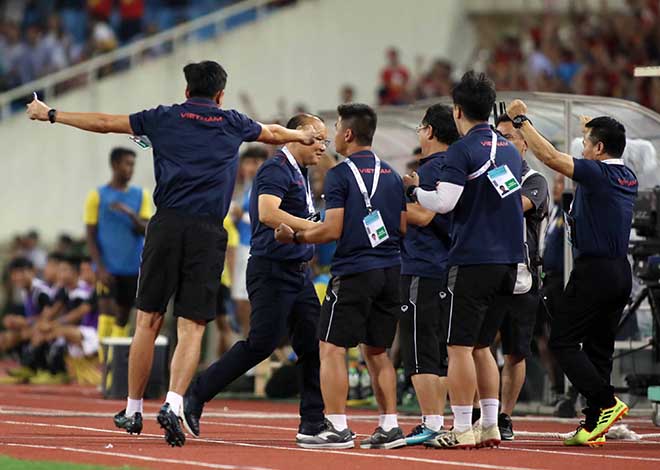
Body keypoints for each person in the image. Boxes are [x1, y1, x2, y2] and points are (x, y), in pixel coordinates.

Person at [26, 60, 319, 447]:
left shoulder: (163, 117)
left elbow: (104, 122)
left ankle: (132, 409)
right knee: (192, 326)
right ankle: (175, 402)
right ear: (220, 94)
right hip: (208, 231)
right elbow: (275, 133)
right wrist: (307, 135)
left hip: (165, 226)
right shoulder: (233, 122)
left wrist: (51, 113)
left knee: (147, 320)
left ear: (186, 91)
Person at [184, 113, 328, 445]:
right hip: (272, 271)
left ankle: (313, 421)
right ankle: (198, 391)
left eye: (325, 140)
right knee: (261, 343)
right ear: (296, 136)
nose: (322, 146)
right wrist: (316, 228)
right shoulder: (276, 169)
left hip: (298, 272)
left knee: (312, 345)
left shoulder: (299, 171)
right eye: (318, 138)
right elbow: (267, 212)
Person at [276, 104, 407, 450]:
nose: (332, 136)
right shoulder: (392, 173)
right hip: (391, 270)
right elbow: (403, 226)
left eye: (335, 128)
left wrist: (296, 236)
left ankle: (336, 425)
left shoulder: (339, 174)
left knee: (331, 348)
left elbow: (331, 229)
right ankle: (390, 425)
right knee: (377, 351)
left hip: (354, 271)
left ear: (347, 134)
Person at [506, 100, 636, 446]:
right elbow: (594, 149)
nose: (582, 148)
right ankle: (595, 423)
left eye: (586, 143)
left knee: (562, 340)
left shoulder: (598, 172)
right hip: (620, 271)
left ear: (600, 148)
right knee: (599, 348)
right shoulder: (627, 174)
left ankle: (605, 402)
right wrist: (588, 128)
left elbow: (549, 157)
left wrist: (521, 121)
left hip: (594, 271)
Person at [405, 71, 524, 449]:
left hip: (473, 260)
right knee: (482, 346)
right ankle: (489, 424)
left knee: (457, 348)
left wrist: (414, 190)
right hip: (510, 260)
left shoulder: (462, 149)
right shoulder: (507, 147)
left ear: (457, 110)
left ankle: (461, 428)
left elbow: (444, 202)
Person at [399, 104, 459, 446]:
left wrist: (386, 204)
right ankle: (437, 420)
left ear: (431, 131)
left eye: (421, 128)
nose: (419, 133)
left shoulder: (433, 168)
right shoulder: (457, 168)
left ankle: (433, 422)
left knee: (421, 350)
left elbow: (421, 215)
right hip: (449, 268)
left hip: (424, 265)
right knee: (438, 350)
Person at [491, 113, 549, 440]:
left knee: (516, 351)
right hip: (485, 271)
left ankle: (504, 416)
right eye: (497, 137)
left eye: (508, 138)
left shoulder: (534, 179)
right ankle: (479, 412)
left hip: (522, 277)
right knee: (475, 346)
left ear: (524, 144)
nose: (502, 143)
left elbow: (515, 204)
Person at [84, 147, 152, 361]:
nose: (130, 169)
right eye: (126, 164)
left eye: (132, 164)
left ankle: (115, 363)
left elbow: (146, 229)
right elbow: (90, 235)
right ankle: (104, 367)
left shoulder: (141, 195)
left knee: (123, 317)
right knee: (106, 312)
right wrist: (100, 267)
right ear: (114, 165)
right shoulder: (97, 196)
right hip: (107, 267)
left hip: (132, 266)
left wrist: (130, 214)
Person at [231, 146, 268, 337]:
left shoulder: (263, 187)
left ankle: (252, 349)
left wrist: (241, 215)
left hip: (254, 250)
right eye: (248, 163)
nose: (251, 167)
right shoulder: (246, 188)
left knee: (249, 302)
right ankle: (246, 345)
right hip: (241, 249)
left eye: (256, 162)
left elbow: (266, 217)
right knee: (240, 302)